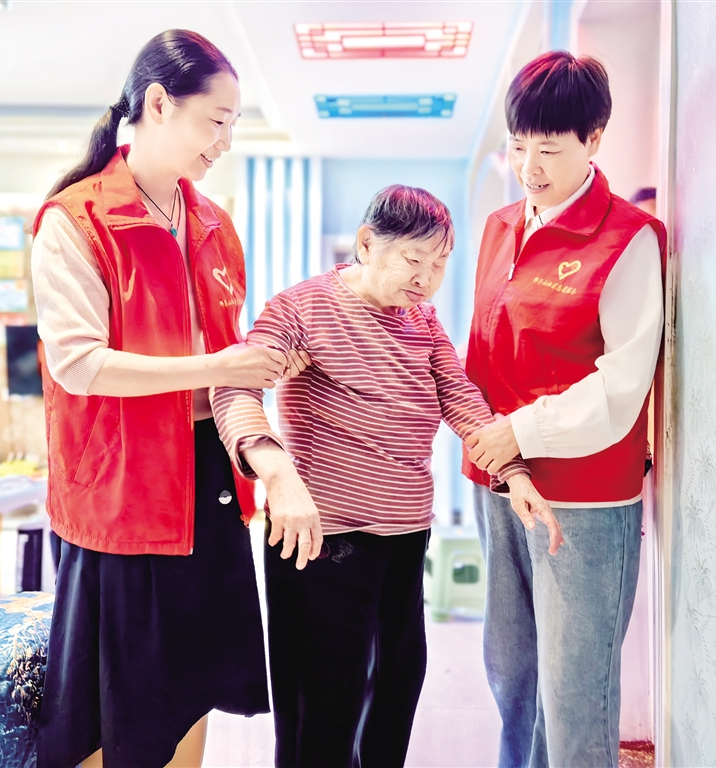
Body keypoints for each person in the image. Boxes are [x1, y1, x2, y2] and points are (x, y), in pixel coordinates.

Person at [30, 30, 311, 768]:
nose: (225, 142)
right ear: (158, 103)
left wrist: (261, 402)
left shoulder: (214, 225)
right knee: (110, 712)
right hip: (120, 497)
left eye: (233, 125)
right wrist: (216, 363)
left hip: (206, 482)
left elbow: (228, 369)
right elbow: (79, 365)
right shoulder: (76, 220)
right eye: (215, 121)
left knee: (196, 684)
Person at [211, 185, 564, 768]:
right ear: (367, 243)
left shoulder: (421, 319)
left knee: (397, 687)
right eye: (413, 259)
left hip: (402, 538)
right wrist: (277, 473)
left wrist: (515, 473)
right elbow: (234, 384)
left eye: (440, 263)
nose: (426, 278)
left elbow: (461, 399)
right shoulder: (302, 309)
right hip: (321, 540)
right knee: (324, 711)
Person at [462, 51, 666, 767]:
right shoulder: (498, 228)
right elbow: (481, 355)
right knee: (512, 678)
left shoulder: (629, 240)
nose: (529, 166)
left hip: (582, 503)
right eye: (519, 146)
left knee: (572, 695)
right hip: (499, 486)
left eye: (548, 149)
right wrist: (494, 449)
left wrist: (520, 430)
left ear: (594, 138)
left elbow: (621, 387)